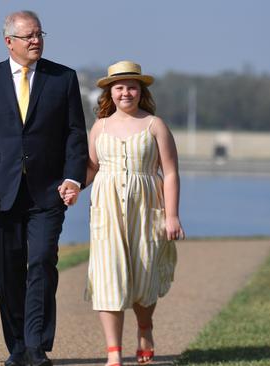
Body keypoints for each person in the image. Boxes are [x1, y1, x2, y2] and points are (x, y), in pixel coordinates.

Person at [0, 10, 88, 366]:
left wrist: (73, 177)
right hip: (2, 190)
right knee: (9, 269)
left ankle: (37, 344)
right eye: (28, 36)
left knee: (43, 260)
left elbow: (76, 134)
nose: (36, 41)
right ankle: (17, 346)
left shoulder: (63, 79)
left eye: (39, 34)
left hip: (49, 190)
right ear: (9, 42)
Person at [78, 60, 184, 366]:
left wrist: (173, 215)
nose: (126, 92)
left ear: (141, 90)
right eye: (120, 87)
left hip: (147, 207)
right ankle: (113, 353)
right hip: (106, 210)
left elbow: (172, 172)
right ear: (110, 92)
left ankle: (145, 328)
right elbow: (91, 169)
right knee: (108, 277)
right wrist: (73, 187)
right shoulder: (100, 126)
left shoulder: (155, 125)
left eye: (132, 86)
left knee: (144, 276)